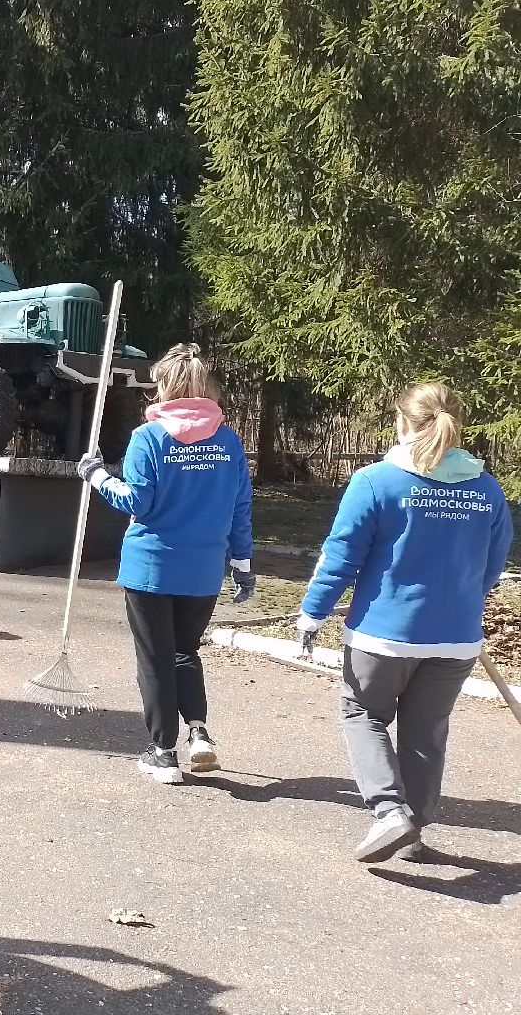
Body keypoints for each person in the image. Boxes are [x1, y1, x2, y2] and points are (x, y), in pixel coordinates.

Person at [296, 383, 512, 863]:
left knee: (363, 715)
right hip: (455, 638)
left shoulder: (376, 481)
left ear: (401, 422)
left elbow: (340, 557)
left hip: (384, 635)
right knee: (427, 729)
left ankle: (390, 812)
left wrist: (312, 612)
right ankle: (414, 825)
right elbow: (492, 565)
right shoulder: (487, 488)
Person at [78, 344, 254, 784]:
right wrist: (243, 562)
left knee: (155, 659)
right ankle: (198, 732)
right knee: (184, 651)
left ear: (166, 389)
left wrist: (97, 476)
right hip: (203, 571)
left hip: (151, 568)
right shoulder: (228, 442)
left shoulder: (149, 438)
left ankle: (163, 752)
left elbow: (138, 501)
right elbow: (240, 507)